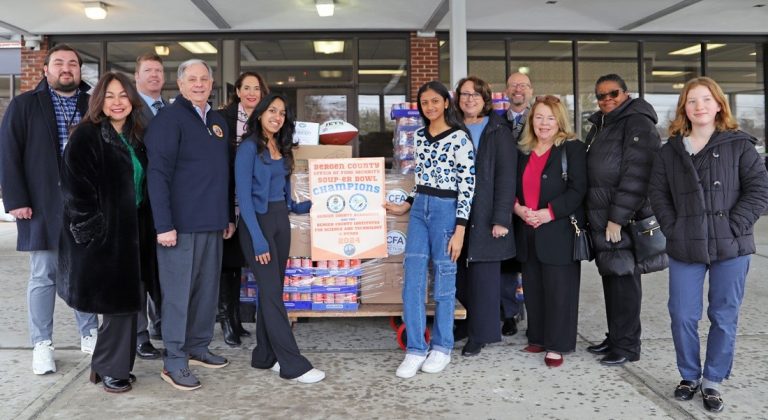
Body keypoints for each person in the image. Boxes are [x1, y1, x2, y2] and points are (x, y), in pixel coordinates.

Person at [648, 77, 768, 413]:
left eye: (706, 100)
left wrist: (732, 226)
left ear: (718, 105)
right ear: (683, 108)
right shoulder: (670, 150)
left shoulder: (740, 145)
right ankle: (689, 375)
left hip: (731, 245)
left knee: (723, 315)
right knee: (682, 314)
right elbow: (658, 193)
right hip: (686, 243)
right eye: (691, 101)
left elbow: (759, 190)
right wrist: (673, 228)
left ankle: (713, 379)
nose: (699, 107)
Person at [0, 44, 98, 375]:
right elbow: (9, 154)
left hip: (86, 204)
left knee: (85, 271)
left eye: (72, 63)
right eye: (59, 63)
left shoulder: (92, 106)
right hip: (41, 204)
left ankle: (90, 333)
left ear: (80, 70)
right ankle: (42, 344)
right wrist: (15, 199)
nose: (66, 68)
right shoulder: (25, 104)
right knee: (44, 275)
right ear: (46, 69)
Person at [58, 72, 157, 393]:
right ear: (98, 100)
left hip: (134, 234)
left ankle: (110, 366)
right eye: (110, 96)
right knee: (116, 307)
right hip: (104, 238)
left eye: (123, 96)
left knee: (130, 304)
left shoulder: (136, 135)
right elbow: (76, 192)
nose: (117, 102)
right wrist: (94, 233)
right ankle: (110, 367)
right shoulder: (87, 136)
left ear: (133, 100)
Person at [145, 59, 235, 391]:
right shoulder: (169, 120)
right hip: (179, 227)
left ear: (212, 84)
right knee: (178, 295)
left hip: (212, 223)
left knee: (206, 293)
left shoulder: (215, 120)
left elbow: (223, 172)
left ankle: (197, 347)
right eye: (192, 79)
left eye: (204, 79)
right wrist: (163, 225)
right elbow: (157, 175)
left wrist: (226, 215)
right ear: (180, 85)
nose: (199, 84)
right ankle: (174, 360)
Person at [386, 81, 475, 379]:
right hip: (421, 208)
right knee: (412, 278)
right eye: (425, 103)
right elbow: (422, 176)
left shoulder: (460, 138)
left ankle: (442, 347)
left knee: (444, 278)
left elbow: (467, 187)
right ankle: (415, 348)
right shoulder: (420, 136)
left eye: (435, 101)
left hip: (446, 210)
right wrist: (406, 204)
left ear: (446, 103)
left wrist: (460, 230)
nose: (430, 107)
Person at [235, 93, 324, 383]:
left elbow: (282, 189)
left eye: (282, 113)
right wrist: (258, 239)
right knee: (273, 295)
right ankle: (292, 364)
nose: (277, 116)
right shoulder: (248, 148)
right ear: (259, 113)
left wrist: (299, 206)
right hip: (256, 225)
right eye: (271, 111)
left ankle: (264, 356)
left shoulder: (282, 147)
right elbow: (244, 198)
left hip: (279, 222)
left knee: (270, 292)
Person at [584, 73, 662, 366]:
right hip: (603, 217)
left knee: (625, 282)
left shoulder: (637, 123)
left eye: (612, 94)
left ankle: (628, 346)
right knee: (612, 279)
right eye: (601, 95)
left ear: (626, 94)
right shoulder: (603, 124)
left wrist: (617, 218)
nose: (606, 100)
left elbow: (638, 176)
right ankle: (616, 337)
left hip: (622, 221)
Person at [513, 95, 586, 367]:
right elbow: (511, 187)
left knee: (560, 291)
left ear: (560, 121)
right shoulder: (523, 150)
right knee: (533, 287)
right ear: (532, 120)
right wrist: (518, 209)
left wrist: (549, 213)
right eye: (539, 117)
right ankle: (538, 337)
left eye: (550, 118)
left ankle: (558, 344)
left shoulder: (572, 149)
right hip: (528, 228)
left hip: (558, 230)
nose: (544, 123)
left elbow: (578, 190)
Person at [453, 76, 516, 357]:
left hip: (488, 210)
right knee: (460, 274)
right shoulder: (452, 127)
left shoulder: (497, 129)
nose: (470, 99)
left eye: (475, 94)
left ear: (485, 98)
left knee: (484, 276)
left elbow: (506, 176)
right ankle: (465, 324)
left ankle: (481, 334)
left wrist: (501, 218)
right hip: (456, 210)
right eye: (464, 94)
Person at [216, 71, 269, 346]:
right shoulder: (222, 119)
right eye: (246, 88)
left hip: (251, 199)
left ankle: (236, 318)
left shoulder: (263, 119)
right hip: (227, 198)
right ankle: (226, 319)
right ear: (237, 91)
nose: (251, 93)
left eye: (256, 89)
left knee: (238, 262)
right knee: (226, 263)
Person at [133, 52, 166, 359]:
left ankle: (160, 325)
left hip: (165, 206)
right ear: (137, 76)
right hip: (139, 206)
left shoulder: (167, 109)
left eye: (158, 70)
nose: (154, 75)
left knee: (160, 269)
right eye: (148, 70)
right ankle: (141, 334)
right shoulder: (131, 109)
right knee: (140, 272)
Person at [500, 71, 535, 336]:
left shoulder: (541, 120)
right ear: (506, 91)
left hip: (533, 203)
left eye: (522, 85)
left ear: (531, 90)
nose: (518, 90)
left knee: (533, 261)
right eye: (513, 86)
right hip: (503, 201)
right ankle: (509, 313)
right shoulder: (496, 122)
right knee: (507, 263)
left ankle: (535, 314)